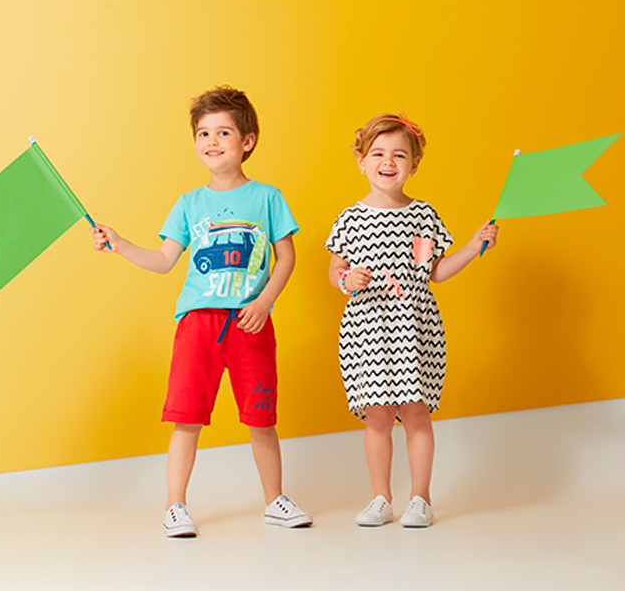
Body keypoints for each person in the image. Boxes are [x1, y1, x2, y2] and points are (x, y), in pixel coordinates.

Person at [91, 85, 312, 537]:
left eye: (223, 132)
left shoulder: (267, 197)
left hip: (251, 322)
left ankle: (275, 500)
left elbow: (286, 257)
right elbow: (163, 260)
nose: (212, 141)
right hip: (198, 324)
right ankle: (175, 505)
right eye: (203, 133)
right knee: (187, 418)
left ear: (247, 141)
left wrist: (264, 301)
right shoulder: (189, 204)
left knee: (262, 419)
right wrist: (121, 244)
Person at [325, 112, 498, 528]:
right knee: (378, 416)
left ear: (414, 164)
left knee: (417, 412)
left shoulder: (423, 216)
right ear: (361, 160)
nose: (388, 162)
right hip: (368, 330)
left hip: (415, 328)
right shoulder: (350, 219)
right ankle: (381, 498)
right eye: (378, 153)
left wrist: (474, 246)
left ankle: (421, 498)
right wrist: (347, 279)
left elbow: (435, 270)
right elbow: (335, 270)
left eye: (399, 155)